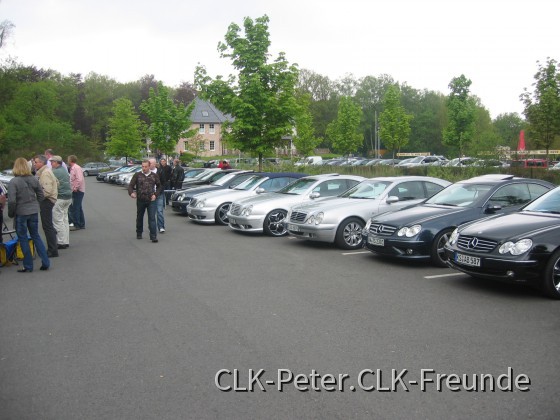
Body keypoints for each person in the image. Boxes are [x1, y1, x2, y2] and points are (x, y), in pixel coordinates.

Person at [7, 157, 50, 272]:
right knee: (35, 235)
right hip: (33, 211)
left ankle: (28, 265)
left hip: (21, 212)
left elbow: (11, 201)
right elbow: (41, 194)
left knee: (23, 238)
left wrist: (11, 213)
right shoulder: (33, 179)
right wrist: (36, 205)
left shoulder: (14, 182)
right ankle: (45, 261)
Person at [128, 160, 162, 243]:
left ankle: (153, 236)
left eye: (146, 166)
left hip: (151, 200)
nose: (144, 168)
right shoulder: (137, 175)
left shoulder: (154, 176)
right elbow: (131, 185)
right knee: (139, 217)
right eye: (143, 166)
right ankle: (139, 232)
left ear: (149, 166)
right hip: (140, 200)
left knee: (152, 218)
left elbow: (159, 186)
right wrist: (131, 193)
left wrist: (155, 195)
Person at [33, 155, 59, 257]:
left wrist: (36, 197)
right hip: (49, 200)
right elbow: (57, 182)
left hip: (47, 201)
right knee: (48, 225)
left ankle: (52, 250)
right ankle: (53, 247)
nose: (34, 164)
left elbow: (46, 191)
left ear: (42, 163)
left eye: (36, 162)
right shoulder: (47, 171)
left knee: (47, 226)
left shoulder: (45, 173)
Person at [50, 155, 72, 249]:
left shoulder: (54, 172)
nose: (51, 164)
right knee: (64, 219)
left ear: (56, 162)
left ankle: (61, 242)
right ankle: (66, 240)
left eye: (52, 162)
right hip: (68, 197)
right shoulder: (64, 170)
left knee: (57, 220)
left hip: (60, 197)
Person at [68, 155, 86, 230]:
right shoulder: (73, 168)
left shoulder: (76, 168)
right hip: (76, 190)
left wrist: (75, 187)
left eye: (68, 159)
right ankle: (81, 223)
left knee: (76, 207)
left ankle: (77, 224)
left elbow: (79, 179)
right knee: (78, 207)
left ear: (71, 160)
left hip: (78, 190)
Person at [149, 158, 166, 232]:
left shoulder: (160, 171)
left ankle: (161, 226)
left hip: (159, 194)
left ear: (154, 164)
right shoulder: (147, 172)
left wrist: (159, 191)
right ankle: (152, 227)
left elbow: (163, 182)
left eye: (151, 163)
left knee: (159, 211)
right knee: (151, 212)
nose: (149, 165)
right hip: (150, 194)